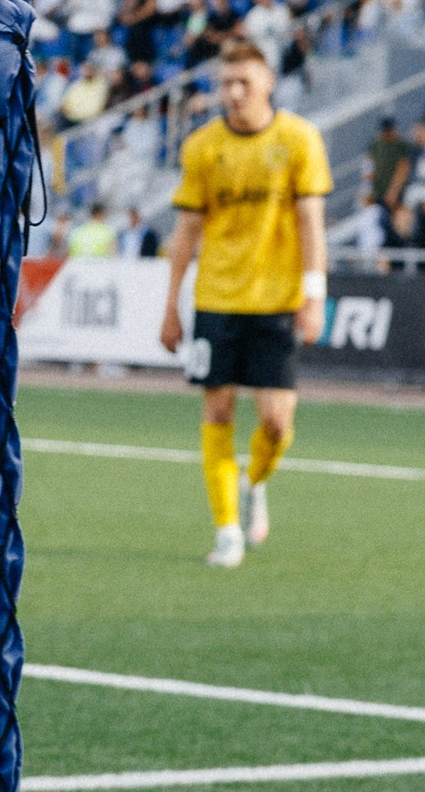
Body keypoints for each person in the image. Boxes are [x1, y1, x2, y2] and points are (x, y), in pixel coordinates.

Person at [158, 38, 332, 570]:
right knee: (216, 409)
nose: (233, 94)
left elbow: (310, 222)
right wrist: (171, 305)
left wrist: (314, 294)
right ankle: (227, 528)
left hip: (277, 301)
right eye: (225, 84)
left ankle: (254, 481)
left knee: (277, 425)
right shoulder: (203, 147)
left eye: (244, 83)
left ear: (268, 82)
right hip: (217, 299)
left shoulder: (299, 139)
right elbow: (187, 229)